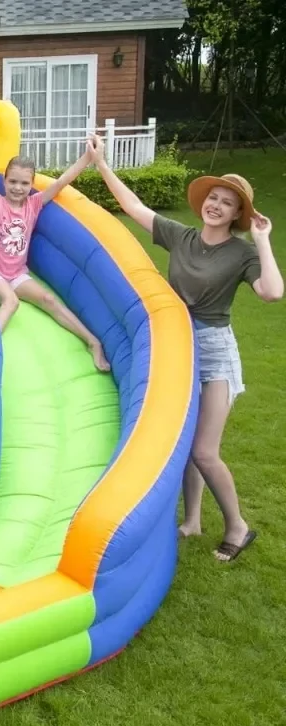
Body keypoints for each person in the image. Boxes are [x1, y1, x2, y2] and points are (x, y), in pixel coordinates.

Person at [88, 134, 283, 561]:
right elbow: (134, 208)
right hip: (178, 346)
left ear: (237, 215)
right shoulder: (182, 237)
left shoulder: (241, 253)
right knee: (186, 442)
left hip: (214, 353)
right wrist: (100, 164)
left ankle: (239, 526)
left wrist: (263, 240)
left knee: (204, 450)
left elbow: (272, 293)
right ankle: (192, 520)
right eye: (213, 198)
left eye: (226, 203)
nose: (216, 205)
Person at [0, 105, 110, 372]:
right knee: (11, 301)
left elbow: (60, 183)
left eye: (24, 183)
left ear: (31, 184)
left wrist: (87, 159)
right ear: (5, 181)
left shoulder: (33, 205)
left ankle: (93, 342)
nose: (18, 188)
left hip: (17, 273)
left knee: (49, 300)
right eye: (12, 182)